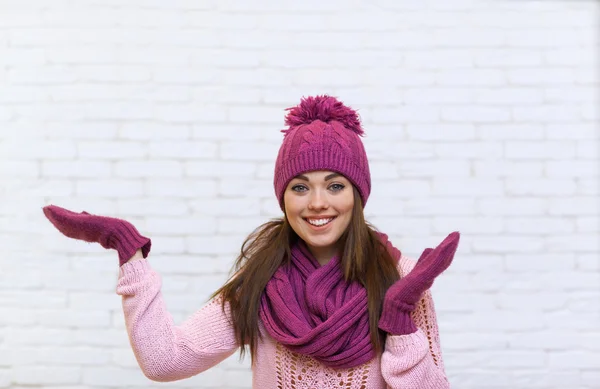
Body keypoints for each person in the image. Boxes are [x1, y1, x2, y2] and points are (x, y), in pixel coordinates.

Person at [43, 95, 459, 389]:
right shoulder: (262, 281)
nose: (317, 203)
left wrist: (400, 319)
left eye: (335, 186)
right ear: (283, 197)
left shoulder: (400, 278)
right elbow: (165, 360)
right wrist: (127, 251)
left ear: (357, 194)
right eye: (300, 187)